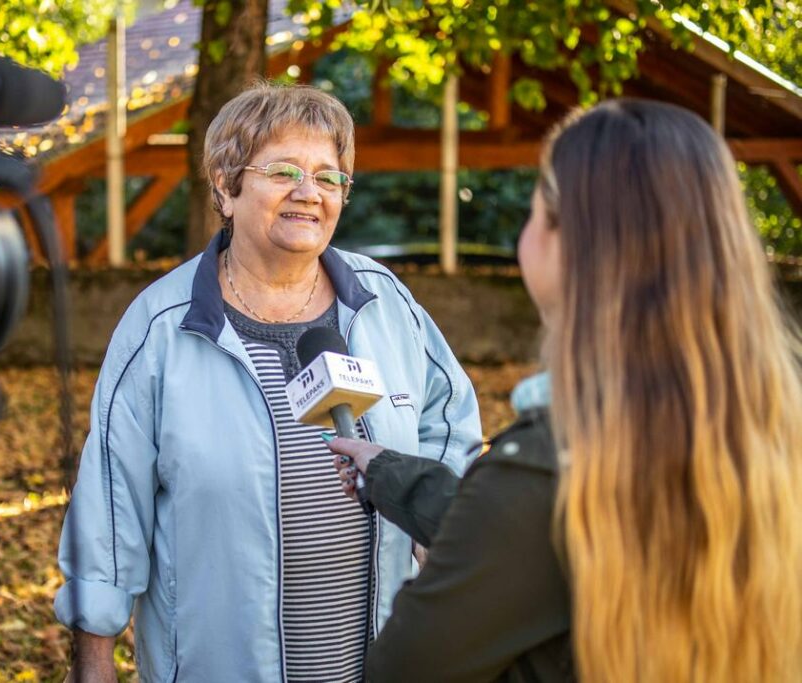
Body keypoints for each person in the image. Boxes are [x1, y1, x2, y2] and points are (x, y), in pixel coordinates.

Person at [329, 98, 802, 682]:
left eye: (534, 213)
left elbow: (403, 667)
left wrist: (446, 576)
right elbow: (540, 543)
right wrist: (394, 477)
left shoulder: (549, 461)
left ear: (565, 242)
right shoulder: (763, 428)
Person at [54, 82, 483, 682]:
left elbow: (450, 422)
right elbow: (107, 517)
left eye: (330, 178)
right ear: (226, 187)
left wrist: (438, 525)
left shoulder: (385, 301)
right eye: (283, 171)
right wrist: (93, 669)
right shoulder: (160, 329)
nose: (309, 194)